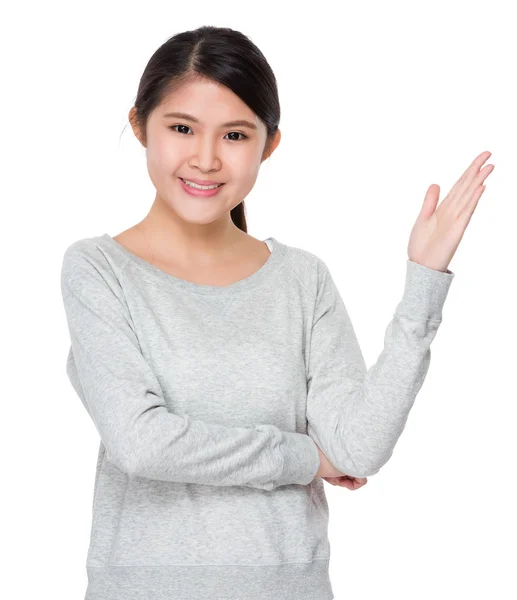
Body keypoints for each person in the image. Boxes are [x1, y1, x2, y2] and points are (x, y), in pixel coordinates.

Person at [60, 25, 493, 600]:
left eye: (235, 134)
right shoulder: (98, 270)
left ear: (269, 144)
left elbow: (358, 448)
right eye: (182, 128)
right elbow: (141, 443)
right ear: (140, 125)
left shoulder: (302, 278)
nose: (206, 159)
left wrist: (423, 281)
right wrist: (303, 456)